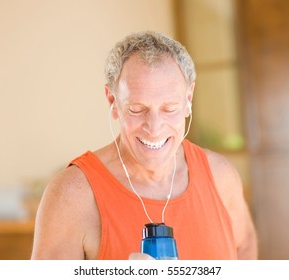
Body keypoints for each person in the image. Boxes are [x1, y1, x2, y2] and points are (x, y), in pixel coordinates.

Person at [31, 31, 257, 260]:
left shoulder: (221, 176)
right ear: (113, 102)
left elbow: (245, 246)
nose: (154, 127)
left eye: (169, 109)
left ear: (189, 99)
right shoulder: (72, 196)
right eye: (137, 109)